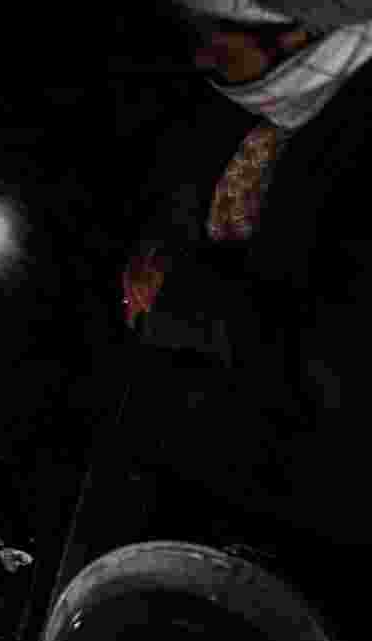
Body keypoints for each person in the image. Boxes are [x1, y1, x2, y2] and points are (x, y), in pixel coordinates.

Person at [120, 0, 372, 544]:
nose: (200, 55)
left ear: (292, 34)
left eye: (209, 32)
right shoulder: (290, 88)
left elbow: (333, 369)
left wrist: (180, 301)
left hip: (271, 492)